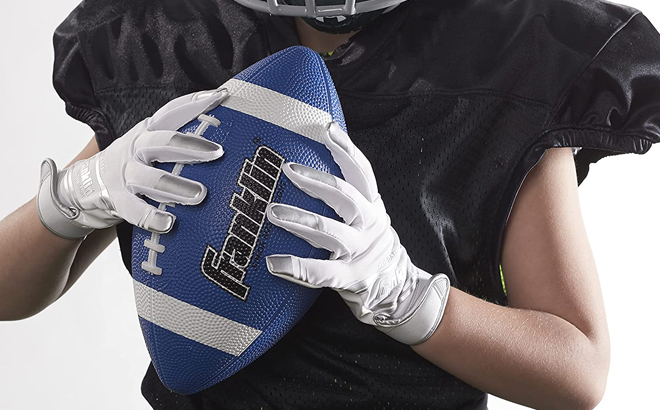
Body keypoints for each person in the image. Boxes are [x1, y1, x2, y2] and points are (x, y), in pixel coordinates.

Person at [1, 0, 659, 408]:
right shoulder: (166, 37)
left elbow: (577, 370)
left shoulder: (507, 54)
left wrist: (408, 299)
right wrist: (76, 197)